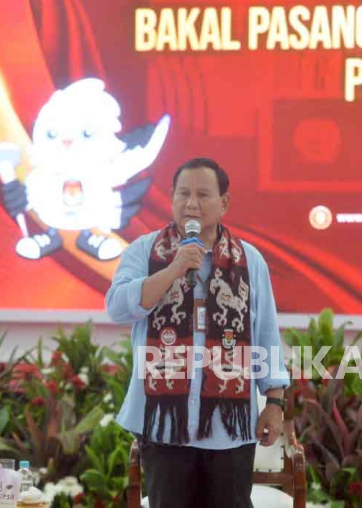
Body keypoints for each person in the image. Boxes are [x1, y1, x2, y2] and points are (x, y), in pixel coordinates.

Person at [105, 157, 290, 508]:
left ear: (224, 203)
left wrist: (275, 402)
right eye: (183, 194)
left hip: (229, 430)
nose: (191, 203)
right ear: (171, 199)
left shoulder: (250, 261)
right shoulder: (145, 251)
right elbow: (117, 307)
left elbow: (266, 334)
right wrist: (174, 268)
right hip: (164, 427)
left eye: (203, 194)